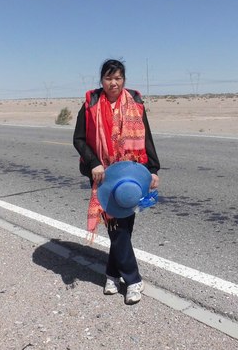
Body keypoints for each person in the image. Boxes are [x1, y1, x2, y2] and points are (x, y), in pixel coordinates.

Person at [73, 59, 160, 305]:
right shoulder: (90, 104)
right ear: (101, 80)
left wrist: (153, 169)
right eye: (109, 78)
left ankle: (112, 275)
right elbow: (79, 139)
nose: (114, 83)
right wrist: (94, 162)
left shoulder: (135, 103)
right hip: (105, 176)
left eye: (118, 78)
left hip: (132, 174)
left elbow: (146, 137)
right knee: (117, 229)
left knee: (123, 228)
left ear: (124, 80)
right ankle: (133, 280)